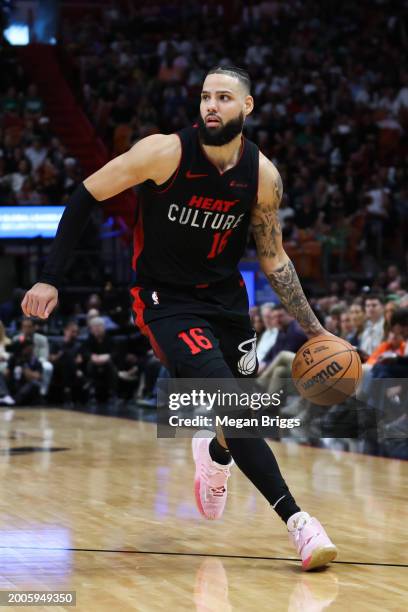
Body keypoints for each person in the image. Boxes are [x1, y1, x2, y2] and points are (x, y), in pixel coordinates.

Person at [21, 66, 337, 570]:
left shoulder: (263, 176)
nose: (211, 105)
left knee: (239, 412)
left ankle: (214, 456)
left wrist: (316, 327)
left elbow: (274, 256)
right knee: (233, 406)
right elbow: (87, 194)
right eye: (206, 97)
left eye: (224, 97)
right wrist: (49, 277)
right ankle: (300, 522)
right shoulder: (163, 152)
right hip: (165, 301)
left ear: (247, 107)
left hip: (227, 303)